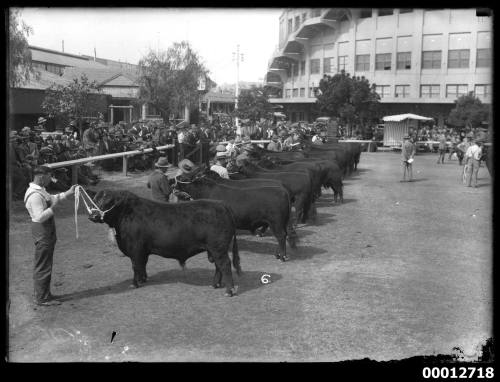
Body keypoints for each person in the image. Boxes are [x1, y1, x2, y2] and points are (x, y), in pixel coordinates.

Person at [24, 166, 76, 306]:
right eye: (49, 176)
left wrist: (68, 193)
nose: (50, 180)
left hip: (45, 231)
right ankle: (42, 298)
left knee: (45, 263)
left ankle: (44, 294)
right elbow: (40, 217)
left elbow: (53, 198)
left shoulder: (40, 191)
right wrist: (54, 209)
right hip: (42, 231)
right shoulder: (35, 195)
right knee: (43, 265)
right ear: (41, 176)